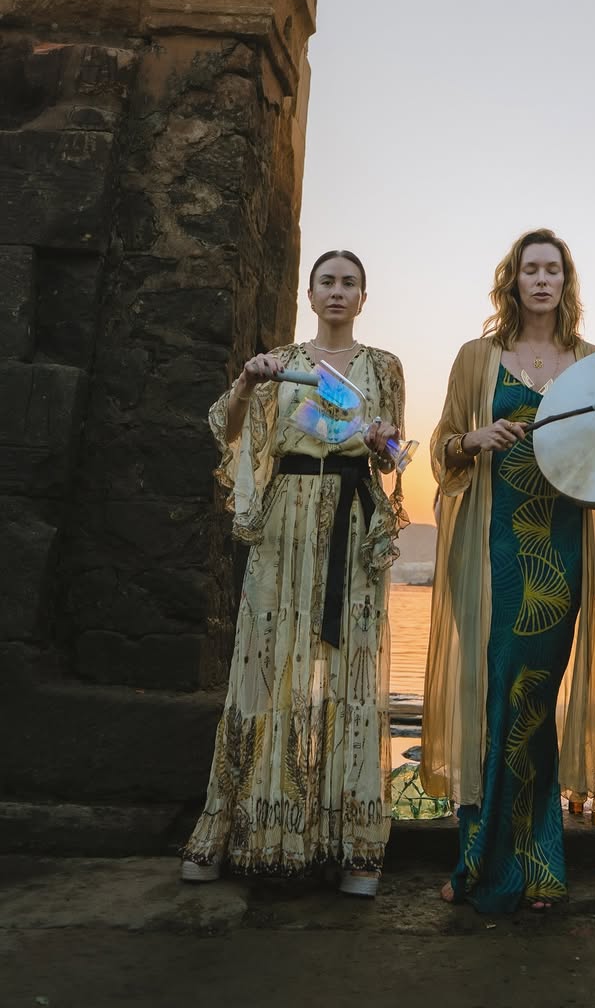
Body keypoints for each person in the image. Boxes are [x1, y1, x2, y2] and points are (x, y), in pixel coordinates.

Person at [180, 251, 408, 896]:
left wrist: (383, 441)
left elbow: (394, 456)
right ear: (310, 294)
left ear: (363, 297)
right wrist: (246, 383)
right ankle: (244, 828)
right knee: (266, 663)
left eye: (349, 283)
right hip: (286, 520)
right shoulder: (278, 363)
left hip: (353, 524)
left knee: (349, 672)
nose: (337, 291)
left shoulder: (384, 366)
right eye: (326, 281)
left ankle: (352, 846)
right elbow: (227, 431)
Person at [420, 228, 595, 913]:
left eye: (553, 269)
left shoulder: (592, 362)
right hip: (490, 553)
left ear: (566, 282)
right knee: (494, 698)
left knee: (533, 701)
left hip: (558, 551)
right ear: (514, 281)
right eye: (531, 269)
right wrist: (474, 438)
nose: (543, 279)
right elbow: (442, 445)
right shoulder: (478, 358)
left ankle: (538, 861)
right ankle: (479, 861)